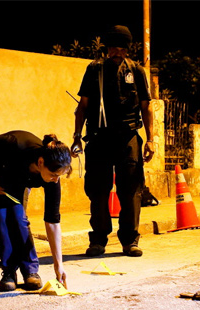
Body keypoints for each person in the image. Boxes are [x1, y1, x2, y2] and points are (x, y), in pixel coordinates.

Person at [71, 25, 154, 257]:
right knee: (97, 190)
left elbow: (147, 108)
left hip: (128, 137)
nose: (117, 52)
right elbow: (83, 107)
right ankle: (98, 240)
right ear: (107, 48)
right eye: (113, 47)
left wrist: (151, 140)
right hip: (98, 138)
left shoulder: (136, 71)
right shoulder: (94, 70)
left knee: (131, 191)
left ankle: (130, 241)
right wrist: (77, 137)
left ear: (127, 49)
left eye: (122, 47)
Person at [0, 130, 72, 291]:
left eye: (60, 176)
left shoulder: (53, 177)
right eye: (54, 175)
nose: (56, 180)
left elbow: (52, 221)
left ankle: (30, 272)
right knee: (1, 219)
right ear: (40, 162)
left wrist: (58, 265)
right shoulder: (13, 144)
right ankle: (9, 272)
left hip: (18, 181)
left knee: (19, 219)